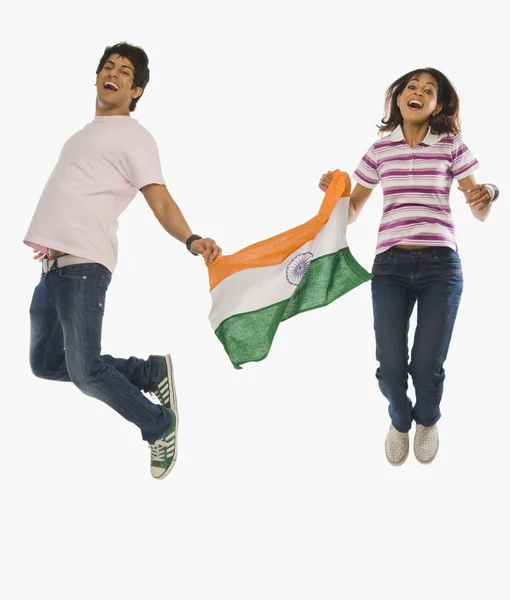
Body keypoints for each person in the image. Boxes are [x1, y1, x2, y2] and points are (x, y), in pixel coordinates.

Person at [24, 42, 222, 480]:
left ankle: (158, 425)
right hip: (52, 270)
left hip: (84, 267)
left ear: (136, 91)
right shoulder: (81, 135)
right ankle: (149, 371)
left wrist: (190, 238)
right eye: (107, 67)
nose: (113, 73)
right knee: (46, 365)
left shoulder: (135, 137)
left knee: (87, 371)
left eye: (125, 72)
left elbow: (160, 198)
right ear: (96, 78)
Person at [319, 68, 499, 466]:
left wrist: (488, 193)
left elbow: (480, 209)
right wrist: (335, 193)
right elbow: (350, 213)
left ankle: (428, 419)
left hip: (441, 268)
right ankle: (400, 420)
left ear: (438, 105)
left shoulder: (451, 144)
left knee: (426, 368)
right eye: (412, 87)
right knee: (391, 369)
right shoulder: (380, 150)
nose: (418, 93)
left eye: (429, 90)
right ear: (399, 98)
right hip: (390, 268)